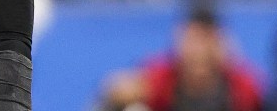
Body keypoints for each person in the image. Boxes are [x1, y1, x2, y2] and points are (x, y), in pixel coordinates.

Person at [100, 6, 263, 111]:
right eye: (192, 41)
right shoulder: (160, 78)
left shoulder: (243, 86)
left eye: (205, 41)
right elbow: (120, 88)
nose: (199, 51)